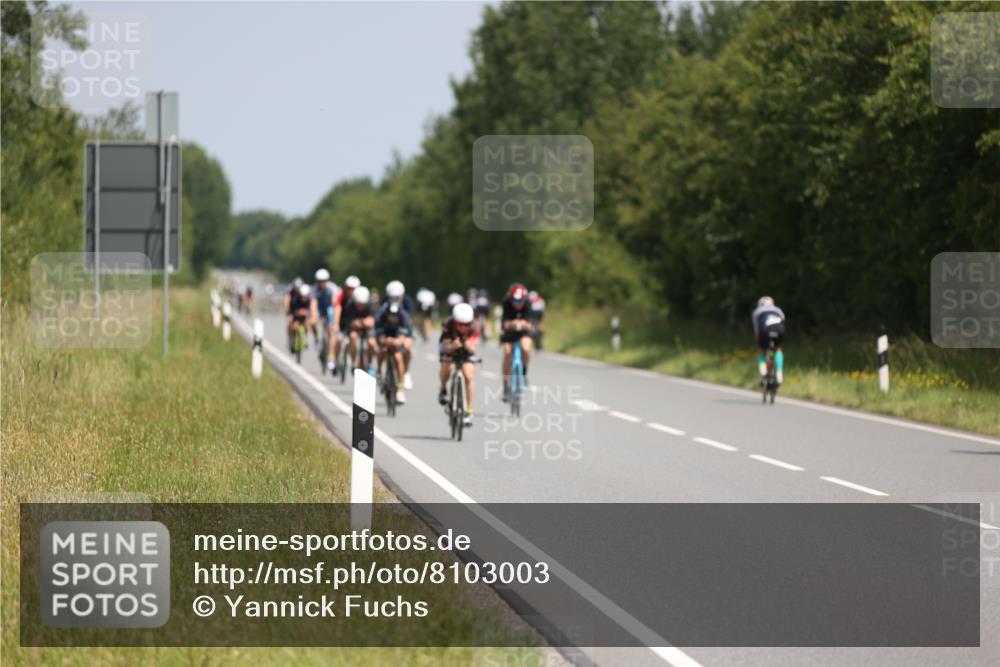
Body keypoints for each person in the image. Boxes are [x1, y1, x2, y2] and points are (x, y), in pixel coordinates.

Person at [438, 302, 480, 426]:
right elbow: (445, 348)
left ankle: (469, 411)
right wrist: (451, 346)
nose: (463, 327)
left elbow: (473, 349)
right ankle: (443, 388)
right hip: (449, 346)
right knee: (447, 367)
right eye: (460, 324)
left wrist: (468, 345)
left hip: (466, 349)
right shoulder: (448, 324)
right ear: (455, 321)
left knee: (468, 375)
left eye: (466, 324)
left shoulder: (475, 326)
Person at [500, 283, 534, 401]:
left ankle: (523, 372)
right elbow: (504, 324)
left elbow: (530, 325)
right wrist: (512, 324)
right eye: (515, 301)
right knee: (508, 352)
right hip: (509, 331)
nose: (517, 304)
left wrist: (523, 324)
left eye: (520, 301)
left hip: (524, 331)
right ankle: (505, 384)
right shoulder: (506, 303)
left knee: (526, 348)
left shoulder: (529, 303)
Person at [375, 301, 413, 404]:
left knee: (398, 357)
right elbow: (379, 335)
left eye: (394, 317)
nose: (392, 319)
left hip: (399, 337)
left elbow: (403, 337)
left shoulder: (404, 318)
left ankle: (400, 388)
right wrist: (385, 341)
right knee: (382, 350)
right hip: (386, 335)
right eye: (390, 317)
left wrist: (396, 342)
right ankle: (378, 371)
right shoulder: (381, 317)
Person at [383, 280, 415, 388]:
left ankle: (406, 372)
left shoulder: (407, 302)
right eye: (392, 297)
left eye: (398, 297)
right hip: (388, 328)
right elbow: (380, 318)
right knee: (382, 348)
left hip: (403, 327)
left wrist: (402, 338)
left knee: (407, 347)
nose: (395, 299)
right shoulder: (385, 303)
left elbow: (408, 322)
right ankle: (381, 372)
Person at [310, 269, 340, 372]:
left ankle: (331, 357)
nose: (322, 283)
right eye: (320, 281)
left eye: (324, 280)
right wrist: (314, 316)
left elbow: (335, 303)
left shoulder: (333, 288)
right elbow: (313, 303)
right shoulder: (314, 289)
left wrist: (334, 321)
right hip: (320, 308)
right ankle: (317, 340)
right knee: (312, 323)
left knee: (331, 332)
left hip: (329, 308)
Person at [343, 286, 378, 375]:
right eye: (358, 304)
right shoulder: (350, 305)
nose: (360, 306)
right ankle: (354, 363)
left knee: (371, 343)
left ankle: (370, 363)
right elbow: (350, 322)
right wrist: (361, 322)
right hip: (355, 328)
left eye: (362, 304)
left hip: (368, 328)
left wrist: (361, 322)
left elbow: (372, 321)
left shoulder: (371, 305)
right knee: (352, 337)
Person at [751, 296, 785, 385]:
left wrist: (758, 340)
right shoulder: (778, 310)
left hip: (765, 331)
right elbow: (782, 322)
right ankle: (779, 372)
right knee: (777, 350)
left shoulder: (757, 312)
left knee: (762, 351)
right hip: (779, 331)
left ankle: (763, 370)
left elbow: (757, 330)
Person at [333, 275, 361, 369]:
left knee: (353, 339)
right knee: (339, 339)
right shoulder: (341, 295)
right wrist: (336, 324)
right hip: (343, 321)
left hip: (355, 323)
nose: (351, 290)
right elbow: (338, 308)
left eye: (353, 288)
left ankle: (353, 364)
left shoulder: (361, 297)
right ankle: (336, 361)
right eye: (349, 288)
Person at [286, 281, 311, 352]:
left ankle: (305, 339)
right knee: (293, 326)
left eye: (305, 297)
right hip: (295, 317)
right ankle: (292, 340)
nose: (304, 298)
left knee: (307, 324)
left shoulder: (309, 300)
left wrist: (306, 312)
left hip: (304, 317)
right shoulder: (295, 299)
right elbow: (292, 311)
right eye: (303, 296)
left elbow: (310, 310)